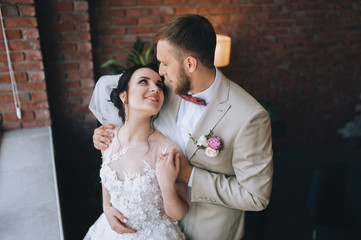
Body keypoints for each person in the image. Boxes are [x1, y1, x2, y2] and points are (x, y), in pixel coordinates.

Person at [92, 14, 273, 240]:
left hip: (207, 231)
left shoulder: (250, 117)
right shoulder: (161, 89)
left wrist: (191, 175)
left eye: (165, 63)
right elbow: (128, 114)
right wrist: (105, 134)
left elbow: (256, 196)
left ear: (190, 64)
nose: (161, 71)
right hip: (152, 225)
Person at [84, 64, 188, 240]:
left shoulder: (167, 149)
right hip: (109, 232)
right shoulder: (107, 138)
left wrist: (166, 184)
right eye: (143, 82)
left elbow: (179, 214)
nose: (155, 88)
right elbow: (106, 182)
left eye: (159, 85)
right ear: (124, 96)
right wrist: (106, 207)